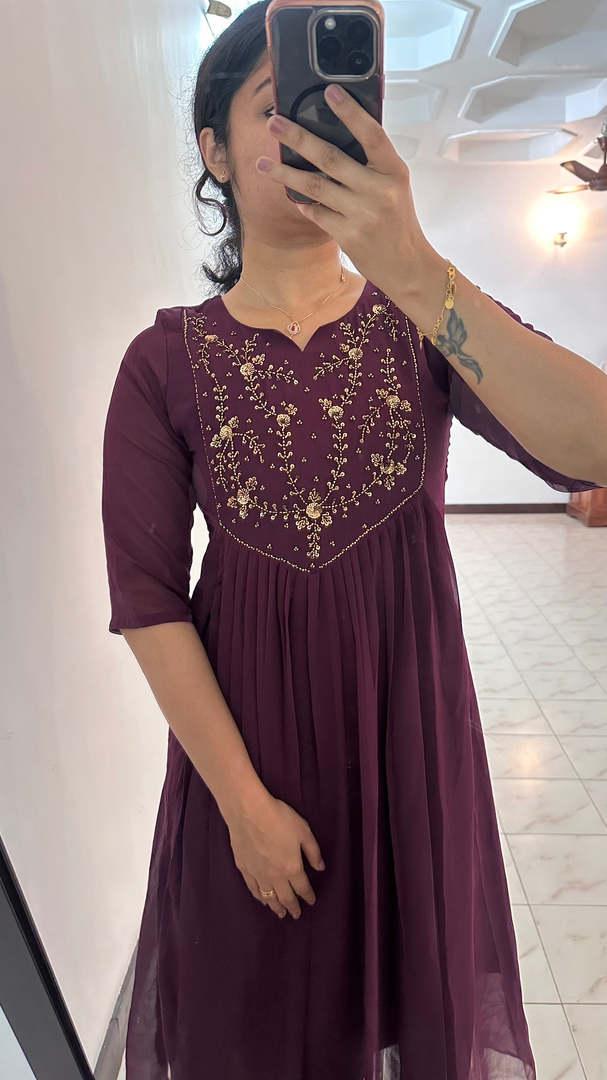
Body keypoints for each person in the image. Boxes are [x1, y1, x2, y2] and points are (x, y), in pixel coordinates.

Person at [101, 3, 605, 1077]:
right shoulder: (162, 363)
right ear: (214, 151)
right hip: (246, 768)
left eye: (339, 108)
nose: (312, 130)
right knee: (249, 1023)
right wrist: (242, 808)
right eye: (276, 108)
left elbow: (593, 449)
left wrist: (413, 268)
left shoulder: (421, 325)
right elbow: (146, 599)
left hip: (409, 757)